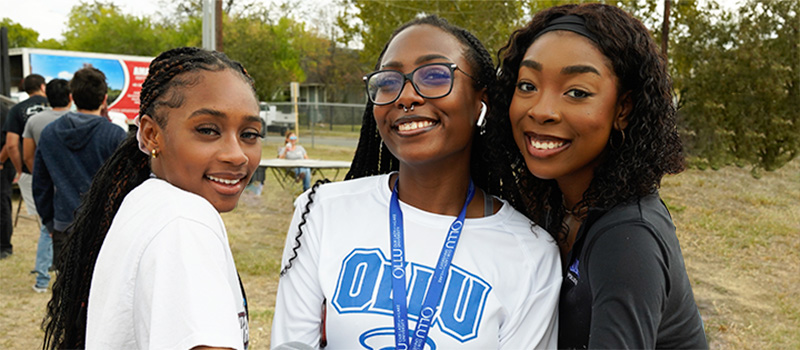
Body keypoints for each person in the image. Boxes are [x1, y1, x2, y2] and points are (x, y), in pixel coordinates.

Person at [271, 16, 560, 349]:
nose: (405, 96)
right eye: (388, 82)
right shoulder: (323, 211)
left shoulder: (531, 254)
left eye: (435, 75)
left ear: (482, 102)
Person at [492, 3, 708, 349]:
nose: (542, 110)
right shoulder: (553, 204)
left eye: (577, 92)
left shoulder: (628, 238)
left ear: (623, 109)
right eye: (528, 85)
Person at [41, 47, 259, 350]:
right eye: (208, 130)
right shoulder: (184, 220)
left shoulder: (144, 200)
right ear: (151, 134)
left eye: (250, 134)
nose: (236, 155)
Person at [33, 67, 127, 272]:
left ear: (72, 97)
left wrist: (49, 221)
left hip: (64, 225)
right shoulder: (115, 135)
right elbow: (128, 184)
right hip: (105, 228)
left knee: (67, 295)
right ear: (104, 98)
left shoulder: (50, 133)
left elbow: (40, 183)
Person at [22, 78, 71, 292]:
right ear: (70, 97)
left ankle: (42, 279)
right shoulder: (76, 119)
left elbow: (27, 154)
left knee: (46, 229)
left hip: (48, 180)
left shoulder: (34, 121)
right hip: (72, 182)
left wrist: (40, 175)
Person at [1, 74, 49, 259]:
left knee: (42, 218)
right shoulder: (57, 106)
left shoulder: (17, 110)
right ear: (43, 87)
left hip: (31, 168)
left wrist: (21, 169)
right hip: (60, 167)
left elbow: (12, 144)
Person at [0, 102, 14, 259]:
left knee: (2, 204)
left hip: (3, 166)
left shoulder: (3, 110)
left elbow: (9, 140)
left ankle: (4, 246)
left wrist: (1, 161)